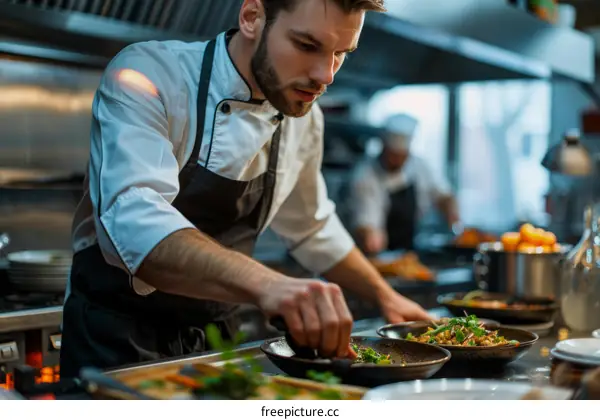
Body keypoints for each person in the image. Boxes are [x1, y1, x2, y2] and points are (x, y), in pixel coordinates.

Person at [59, 0, 432, 378]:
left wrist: (386, 296)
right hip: (115, 340)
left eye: (341, 54)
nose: (326, 75)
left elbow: (312, 227)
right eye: (306, 45)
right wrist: (269, 284)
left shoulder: (303, 117)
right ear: (252, 17)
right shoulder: (151, 75)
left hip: (216, 341)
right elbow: (133, 217)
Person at [351, 113, 460, 254]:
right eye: (392, 155)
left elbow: (444, 196)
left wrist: (453, 217)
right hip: (377, 255)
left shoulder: (420, 166)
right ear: (383, 147)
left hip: (412, 249)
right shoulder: (365, 174)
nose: (397, 161)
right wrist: (370, 236)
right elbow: (366, 222)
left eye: (401, 156)